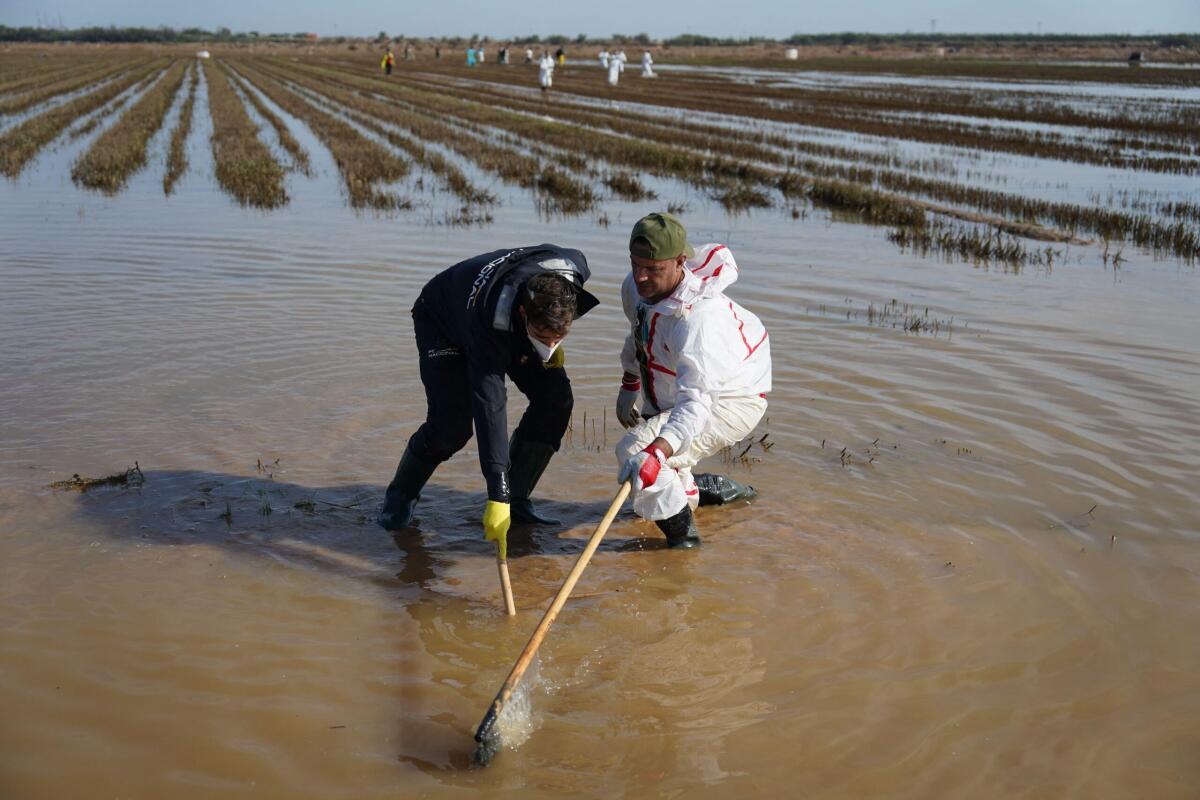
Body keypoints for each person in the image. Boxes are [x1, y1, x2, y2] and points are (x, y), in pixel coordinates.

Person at [378, 246, 600, 559]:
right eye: (544, 336)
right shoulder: (492, 320)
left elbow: (550, 318)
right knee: (451, 427)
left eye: (559, 336)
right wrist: (497, 492)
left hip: (515, 321)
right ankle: (399, 500)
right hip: (443, 320)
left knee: (555, 400)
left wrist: (548, 340)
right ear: (524, 314)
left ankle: (518, 502)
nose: (551, 345)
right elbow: (490, 406)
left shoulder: (573, 270)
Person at [614, 213, 771, 548]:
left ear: (680, 262)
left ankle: (684, 543)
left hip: (731, 397)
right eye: (635, 264)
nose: (640, 277)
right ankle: (713, 490)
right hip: (672, 381)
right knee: (653, 485)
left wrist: (656, 452)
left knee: (637, 452)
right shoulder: (635, 286)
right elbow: (637, 334)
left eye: (652, 269)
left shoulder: (698, 319)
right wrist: (629, 383)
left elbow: (696, 402)